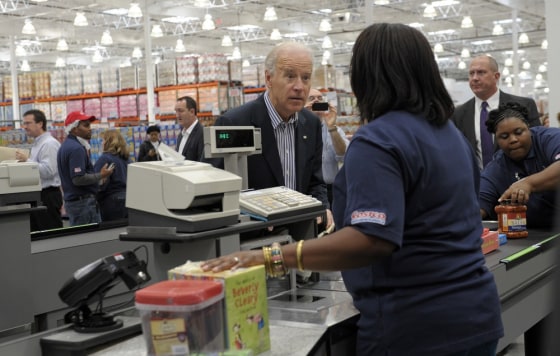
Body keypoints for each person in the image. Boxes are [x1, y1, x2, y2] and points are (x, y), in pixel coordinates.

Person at [202, 23, 503, 355]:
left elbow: (371, 238)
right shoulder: (450, 135)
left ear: (368, 75)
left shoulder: (380, 139)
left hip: (415, 327)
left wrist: (270, 257)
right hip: (476, 313)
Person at [212, 42, 332, 228]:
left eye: (306, 78)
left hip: (301, 237)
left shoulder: (311, 124)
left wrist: (322, 207)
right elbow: (217, 192)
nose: (299, 86)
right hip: (253, 240)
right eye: (290, 76)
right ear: (269, 79)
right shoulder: (234, 123)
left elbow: (316, 182)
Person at [479, 102, 560, 229]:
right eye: (504, 137)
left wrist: (528, 183)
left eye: (518, 132)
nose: (513, 140)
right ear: (497, 140)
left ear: (528, 128)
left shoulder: (550, 138)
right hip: (537, 237)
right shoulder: (497, 167)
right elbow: (480, 204)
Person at [452, 54, 541, 168]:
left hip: (518, 180)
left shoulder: (524, 105)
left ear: (496, 76)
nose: (474, 78)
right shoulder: (458, 114)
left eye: (481, 72)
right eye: (471, 73)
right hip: (477, 183)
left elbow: (536, 146)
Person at [57, 111, 114, 226]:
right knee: (90, 239)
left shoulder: (67, 145)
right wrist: (101, 175)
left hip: (76, 203)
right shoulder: (76, 148)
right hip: (83, 204)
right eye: (86, 125)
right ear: (74, 129)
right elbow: (78, 179)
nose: (90, 129)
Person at [15, 109, 63, 231]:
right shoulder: (38, 143)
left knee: (50, 234)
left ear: (40, 124)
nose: (24, 127)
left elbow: (48, 171)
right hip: (39, 195)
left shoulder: (49, 144)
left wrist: (27, 161)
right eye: (24, 123)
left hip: (48, 195)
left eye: (28, 123)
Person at [305, 88, 349, 206]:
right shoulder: (297, 128)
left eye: (320, 99)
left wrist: (332, 127)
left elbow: (343, 155)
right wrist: (302, 116)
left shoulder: (334, 129)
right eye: (312, 99)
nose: (317, 101)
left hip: (332, 190)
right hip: (307, 191)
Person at [94, 129, 130, 221]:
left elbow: (100, 183)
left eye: (103, 140)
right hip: (128, 199)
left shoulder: (105, 159)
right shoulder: (127, 159)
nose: (102, 143)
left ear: (108, 142)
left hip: (111, 201)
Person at [175, 96, 204, 161]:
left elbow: (203, 164)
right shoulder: (181, 135)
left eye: (180, 111)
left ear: (192, 112)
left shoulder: (202, 134)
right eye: (176, 111)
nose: (177, 115)